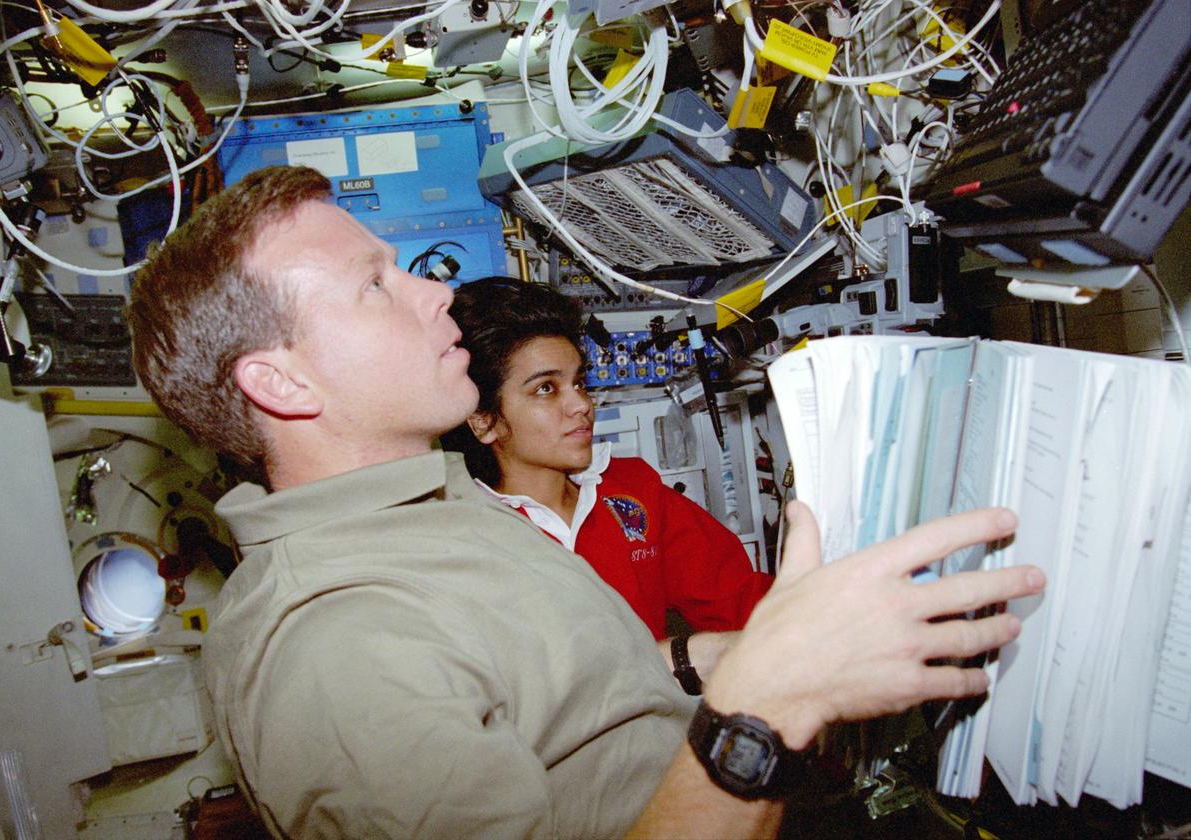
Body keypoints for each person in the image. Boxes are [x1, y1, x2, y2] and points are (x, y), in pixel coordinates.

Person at [127, 164, 1045, 839]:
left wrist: (754, 649)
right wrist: (770, 703)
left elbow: (574, 703)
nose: (434, 291)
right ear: (280, 382)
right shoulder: (334, 652)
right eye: (376, 285)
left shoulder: (419, 518)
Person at [440, 277, 770, 689]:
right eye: (546, 389)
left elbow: (740, 599)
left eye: (579, 382)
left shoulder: (630, 490)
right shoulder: (463, 542)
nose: (581, 404)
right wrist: (686, 657)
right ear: (483, 421)